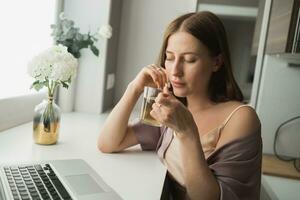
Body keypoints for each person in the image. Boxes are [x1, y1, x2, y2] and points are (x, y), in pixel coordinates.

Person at [98, 11, 262, 200]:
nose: (175, 71)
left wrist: (186, 131)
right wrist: (134, 88)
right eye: (169, 57)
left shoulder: (241, 118)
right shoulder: (171, 111)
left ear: (216, 62)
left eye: (189, 59)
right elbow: (108, 143)